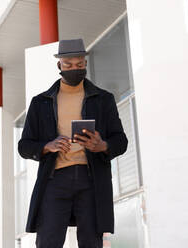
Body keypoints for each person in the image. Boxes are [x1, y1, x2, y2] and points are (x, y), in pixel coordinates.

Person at [18, 38, 128, 248]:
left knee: (91, 243)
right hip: (54, 179)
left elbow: (120, 141)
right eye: (68, 65)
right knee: (47, 242)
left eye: (79, 65)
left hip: (92, 180)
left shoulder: (103, 99)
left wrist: (102, 145)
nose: (74, 69)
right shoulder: (40, 102)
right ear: (59, 65)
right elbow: (24, 146)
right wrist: (46, 146)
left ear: (86, 64)